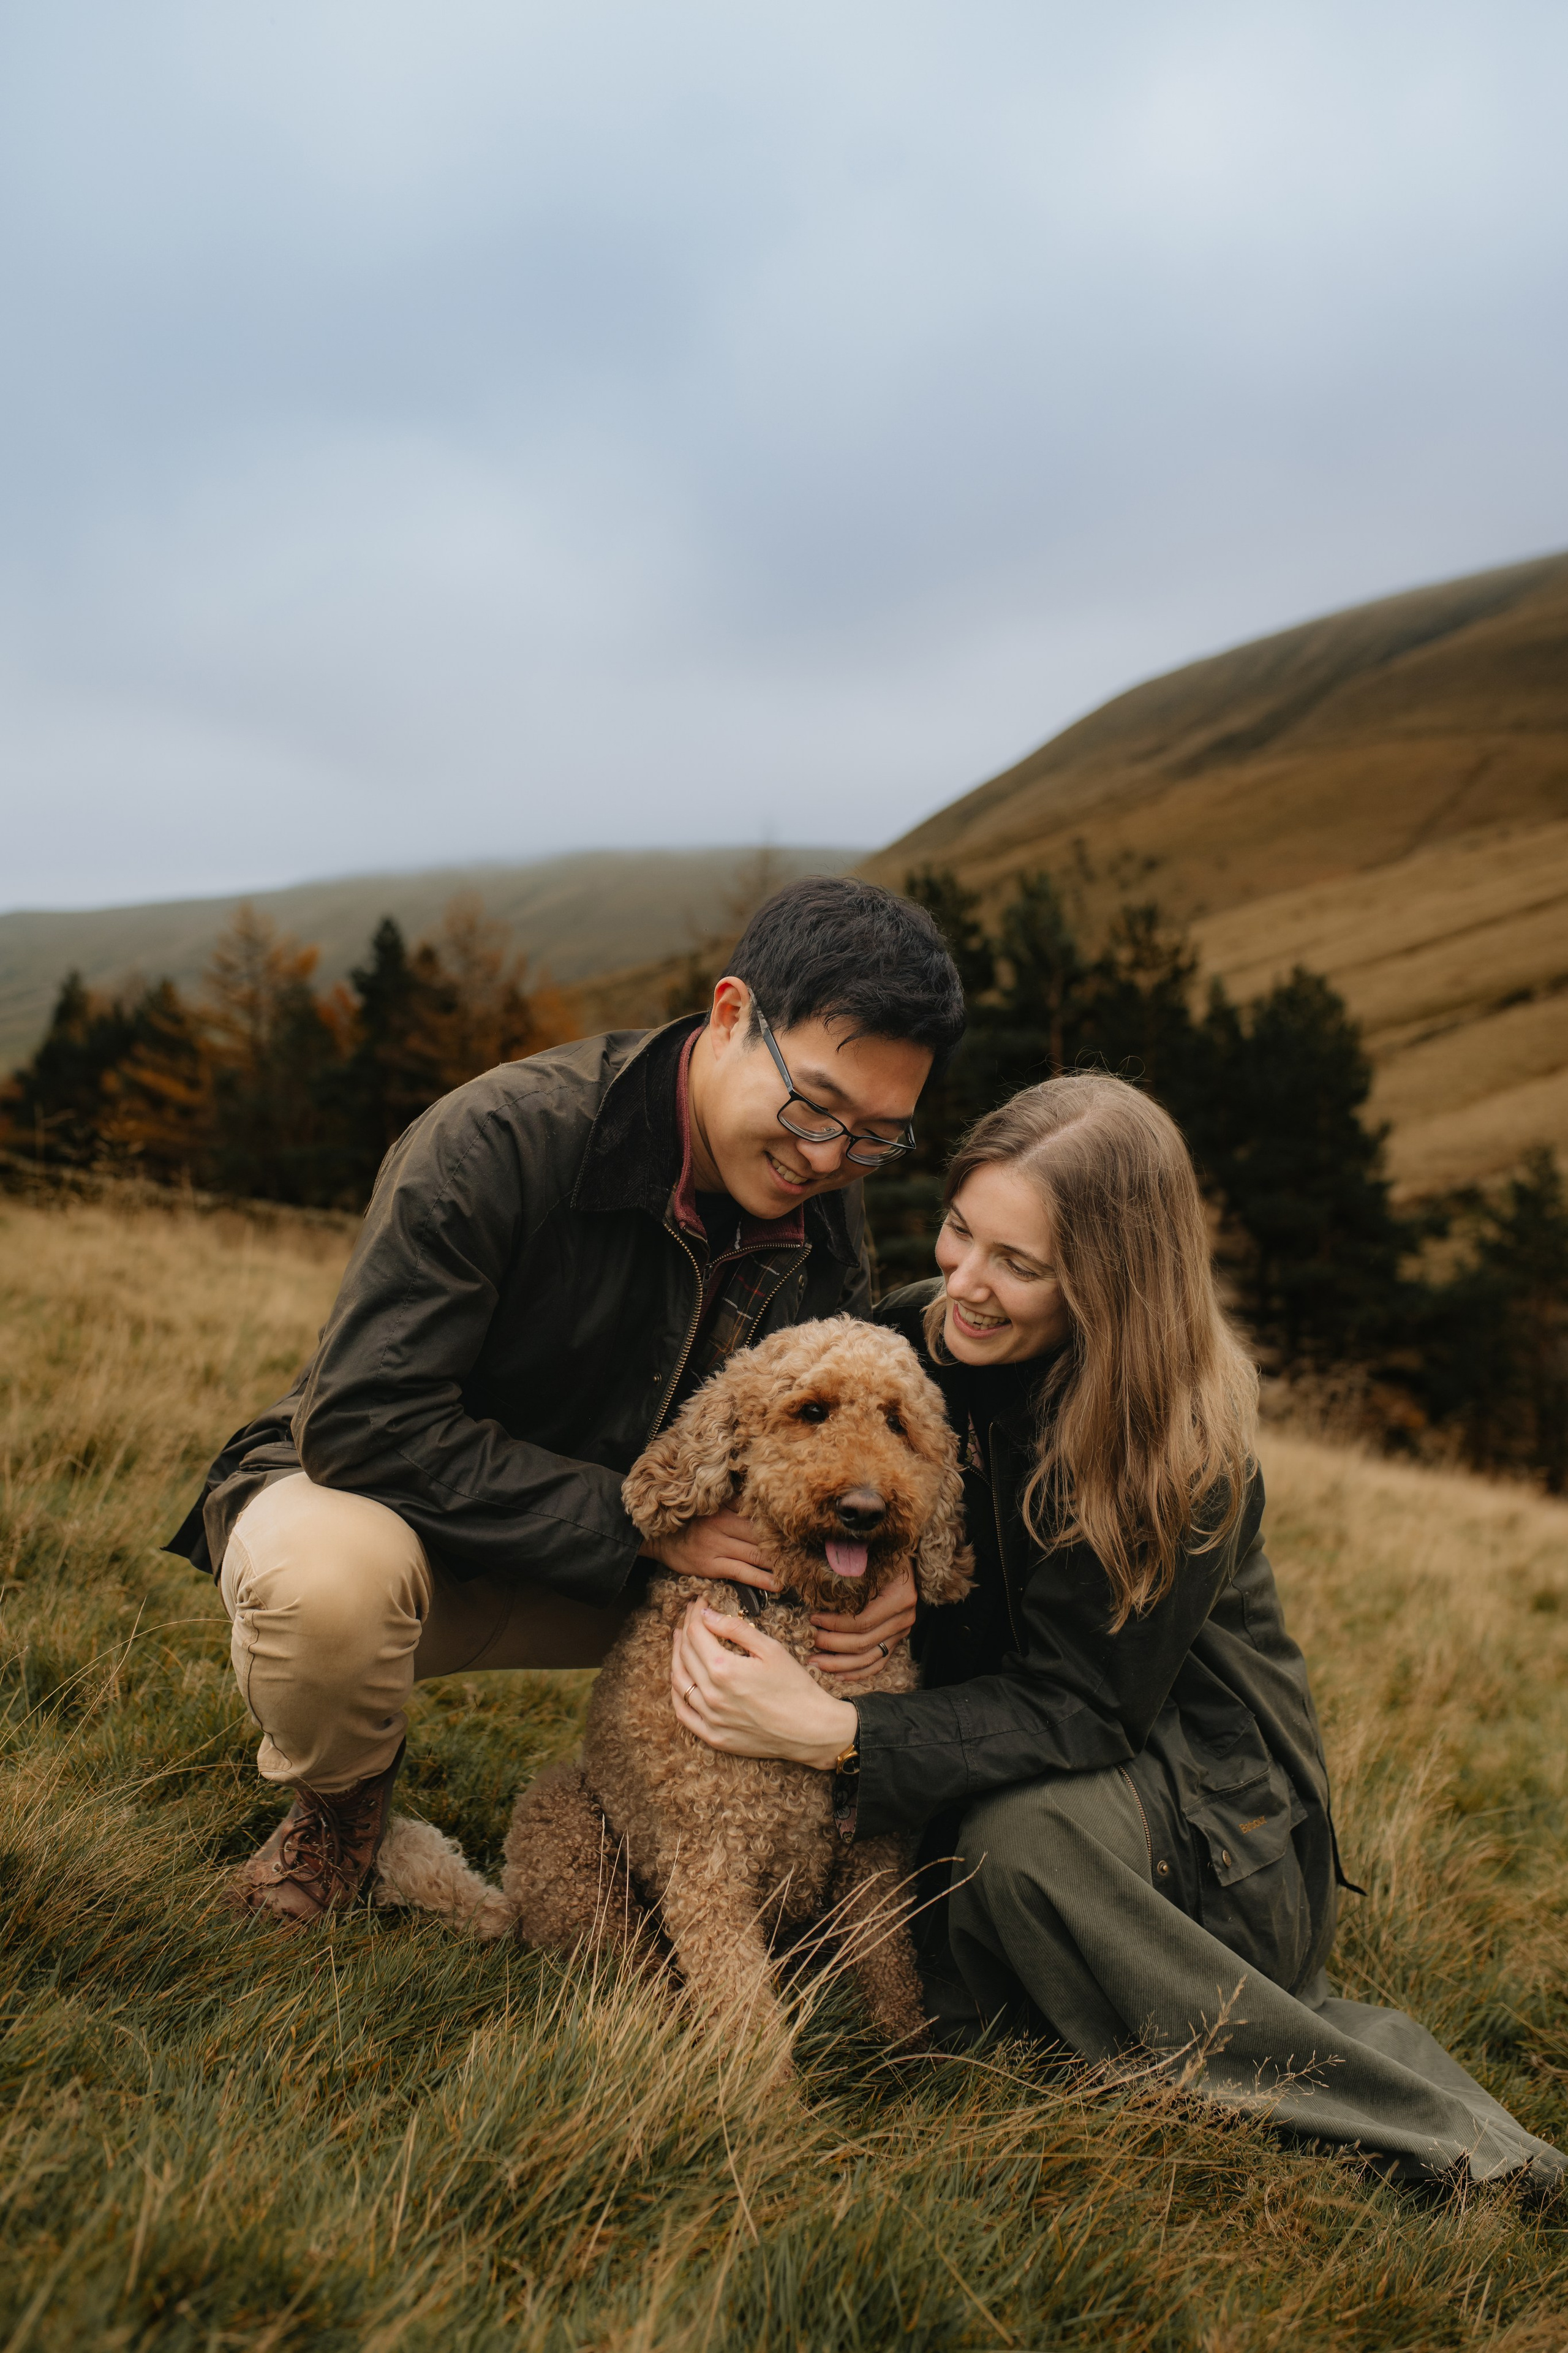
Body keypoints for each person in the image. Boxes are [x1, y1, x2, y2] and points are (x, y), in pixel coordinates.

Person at [671, 1071, 1565, 2192]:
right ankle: (1044, 2005)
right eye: (959, 1230)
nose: (965, 1284)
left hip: (1214, 1828)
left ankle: (1453, 2143)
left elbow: (1081, 1706)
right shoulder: (920, 1337)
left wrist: (842, 1733)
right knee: (929, 1895)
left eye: (1020, 1264)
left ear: (1110, 1283)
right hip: (1003, 1763)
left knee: (1016, 1845)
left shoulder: (1175, 1449)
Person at [166, 877, 965, 1923]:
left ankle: (746, 1878)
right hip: (408, 1521)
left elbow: (836, 1435)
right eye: (813, 1104)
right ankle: (341, 1816)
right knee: (323, 1591)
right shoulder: (496, 1138)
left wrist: (885, 1583)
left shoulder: (826, 1200)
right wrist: (637, 1531)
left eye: (874, 1135)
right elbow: (364, 1419)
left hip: (635, 1564)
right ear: (730, 1016)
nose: (827, 1157)